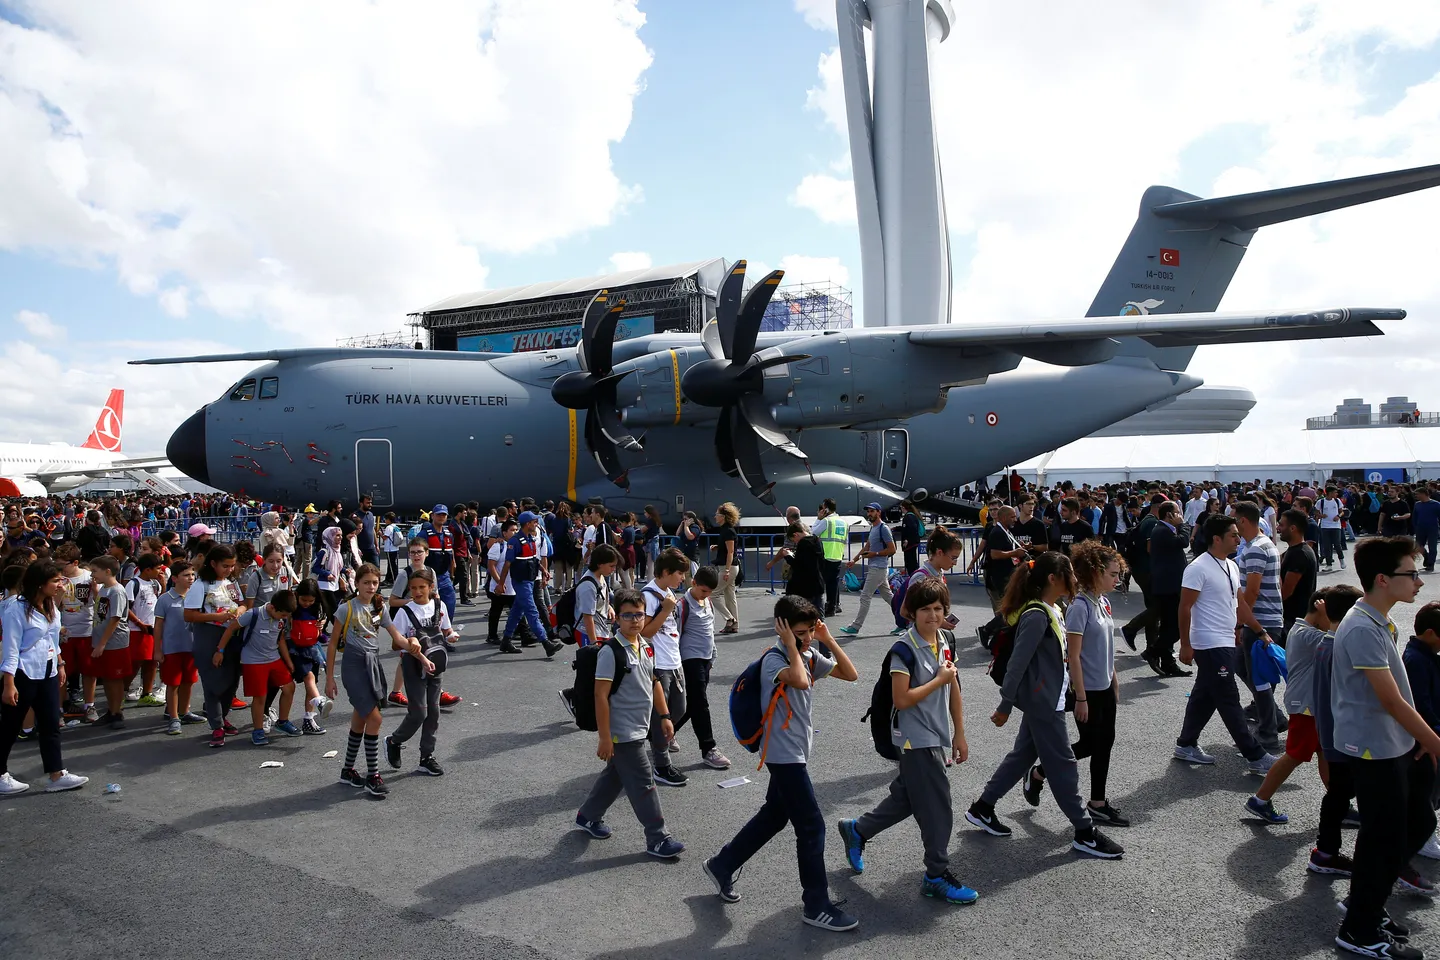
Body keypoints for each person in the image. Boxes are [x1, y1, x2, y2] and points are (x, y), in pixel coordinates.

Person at [702, 596, 860, 931]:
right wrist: (791, 644)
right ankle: (816, 905)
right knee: (812, 827)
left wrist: (827, 638)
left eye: (810, 631)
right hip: (783, 755)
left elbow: (850, 674)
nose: (807, 638)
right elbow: (800, 680)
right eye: (800, 633)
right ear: (783, 629)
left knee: (775, 815)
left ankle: (722, 864)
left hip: (795, 750)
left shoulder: (807, 654)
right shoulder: (775, 660)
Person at [963, 552, 1124, 860]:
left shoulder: (1054, 609)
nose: (1075, 579)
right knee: (1064, 766)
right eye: (1069, 574)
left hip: (1049, 699)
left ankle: (982, 807)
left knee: (1022, 756)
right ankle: (1084, 831)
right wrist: (1005, 705)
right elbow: (1017, 664)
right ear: (1053, 579)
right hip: (1044, 703)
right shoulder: (1037, 615)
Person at [835, 577, 976, 906]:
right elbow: (902, 699)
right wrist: (939, 679)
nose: (932, 615)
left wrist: (959, 732)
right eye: (925, 609)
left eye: (938, 608)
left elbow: (953, 687)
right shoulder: (904, 649)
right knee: (937, 806)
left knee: (908, 797)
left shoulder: (945, 639)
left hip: (936, 734)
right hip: (914, 738)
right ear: (911, 612)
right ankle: (936, 876)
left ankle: (858, 830)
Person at [1333, 537, 1440, 957]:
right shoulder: (1362, 626)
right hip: (1372, 748)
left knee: (1404, 828)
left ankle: (1366, 904)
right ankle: (1358, 930)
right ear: (1382, 579)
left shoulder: (1378, 620)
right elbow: (1391, 700)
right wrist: (1433, 741)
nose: (1419, 581)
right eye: (1411, 574)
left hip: (1391, 743)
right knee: (1383, 838)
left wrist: (1418, 738)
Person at [573, 588, 685, 860]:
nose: (635, 620)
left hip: (640, 725)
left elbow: (653, 681)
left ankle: (588, 816)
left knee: (616, 775)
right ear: (617, 618)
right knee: (644, 782)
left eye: (639, 614)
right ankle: (658, 838)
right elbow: (600, 695)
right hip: (622, 731)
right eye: (628, 615)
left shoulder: (645, 645)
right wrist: (604, 737)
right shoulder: (611, 652)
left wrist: (665, 716)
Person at [1173, 515, 1280, 773]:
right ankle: (1255, 756)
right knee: (1228, 697)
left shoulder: (1231, 565)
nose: (1238, 539)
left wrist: (1257, 630)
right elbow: (1184, 607)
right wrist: (1185, 644)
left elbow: (1239, 603)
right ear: (1216, 539)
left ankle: (1186, 744)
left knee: (1205, 695)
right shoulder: (1198, 568)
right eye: (1233, 535)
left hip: (1225, 640)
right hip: (1209, 643)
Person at [1245, 586, 1350, 825]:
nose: (1339, 622)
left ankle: (1340, 804)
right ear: (1320, 610)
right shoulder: (1307, 635)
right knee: (1294, 755)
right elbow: (1338, 643)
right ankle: (1259, 800)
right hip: (1306, 705)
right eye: (1335, 616)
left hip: (1313, 704)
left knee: (1326, 754)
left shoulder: (1303, 629)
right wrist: (1332, 620)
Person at [0, 561, 89, 795]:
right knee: (9, 726)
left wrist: (60, 663)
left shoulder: (50, 605)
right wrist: (9, 683)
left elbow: (51, 638)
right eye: (56, 581)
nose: (61, 585)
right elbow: (11, 649)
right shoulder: (15, 609)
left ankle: (56, 774)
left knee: (50, 724)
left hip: (48, 671)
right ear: (40, 584)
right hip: (23, 672)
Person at [324, 563, 408, 798]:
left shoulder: (380, 606)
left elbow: (396, 636)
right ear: (357, 584)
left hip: (373, 664)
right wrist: (329, 678)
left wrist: (414, 647)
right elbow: (332, 644)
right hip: (353, 665)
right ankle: (373, 776)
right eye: (366, 582)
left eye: (375, 582)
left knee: (360, 719)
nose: (371, 587)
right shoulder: (346, 608)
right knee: (375, 718)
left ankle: (348, 770)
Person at [1060, 540, 1128, 826]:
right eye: (1112, 574)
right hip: (1087, 689)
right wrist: (1081, 697)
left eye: (1118, 574)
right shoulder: (1079, 607)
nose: (1117, 579)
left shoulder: (1104, 602)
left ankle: (1097, 802)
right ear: (1095, 572)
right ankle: (1039, 772)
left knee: (1104, 743)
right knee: (1090, 744)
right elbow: (1073, 656)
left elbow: (1107, 648)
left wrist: (1114, 680)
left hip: (1104, 686)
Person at [1308, 583, 1365, 879]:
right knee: (1341, 793)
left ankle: (1326, 851)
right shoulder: (1338, 647)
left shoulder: (1327, 644)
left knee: (1339, 793)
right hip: (1342, 736)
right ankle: (1326, 852)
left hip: (1332, 733)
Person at [384, 566, 454, 777]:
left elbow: (446, 629)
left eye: (421, 587)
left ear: (431, 587)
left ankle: (426, 757)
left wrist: (451, 635)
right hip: (413, 665)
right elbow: (395, 644)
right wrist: (410, 642)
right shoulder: (405, 611)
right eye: (413, 588)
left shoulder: (439, 606)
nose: (417, 592)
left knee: (434, 712)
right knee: (419, 712)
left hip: (435, 663)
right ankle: (394, 740)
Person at [1235, 502, 1287, 751]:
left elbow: (1252, 591)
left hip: (1260, 621)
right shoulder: (1264, 544)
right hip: (1266, 618)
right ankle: (1274, 717)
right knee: (1244, 668)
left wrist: (1241, 621)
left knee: (1260, 680)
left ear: (1243, 520)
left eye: (1235, 520)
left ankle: (1268, 732)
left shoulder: (1256, 548)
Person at [222, 589, 299, 745]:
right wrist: (220, 650)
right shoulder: (253, 614)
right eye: (283, 615)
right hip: (253, 661)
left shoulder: (281, 618)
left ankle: (283, 722)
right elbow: (231, 628)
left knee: (289, 687)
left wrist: (288, 662)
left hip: (274, 658)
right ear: (272, 607)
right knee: (260, 696)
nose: (284, 618)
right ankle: (258, 731)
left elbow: (280, 639)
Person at [639, 548, 690, 788]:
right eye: (680, 573)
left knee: (679, 710)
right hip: (658, 663)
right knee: (663, 715)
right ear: (667, 571)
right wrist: (667, 609)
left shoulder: (667, 592)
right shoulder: (648, 596)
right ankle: (661, 765)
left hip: (674, 660)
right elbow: (644, 632)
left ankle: (656, 744)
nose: (683, 578)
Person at [672, 565, 728, 770]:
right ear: (693, 582)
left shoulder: (708, 602)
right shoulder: (682, 605)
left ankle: (662, 734)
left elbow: (709, 632)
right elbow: (676, 635)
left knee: (691, 705)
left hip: (705, 659)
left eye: (710, 592)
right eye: (703, 590)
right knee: (700, 703)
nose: (706, 594)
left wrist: (712, 655)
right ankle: (708, 748)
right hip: (689, 659)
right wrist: (675, 664)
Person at [498, 511, 562, 658]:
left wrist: (544, 570)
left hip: (530, 580)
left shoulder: (531, 539)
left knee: (517, 611)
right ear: (527, 524)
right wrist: (501, 584)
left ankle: (506, 640)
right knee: (532, 612)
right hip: (521, 582)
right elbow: (507, 564)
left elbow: (534, 559)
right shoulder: (514, 542)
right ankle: (546, 643)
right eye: (534, 522)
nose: (536, 524)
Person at [1404, 602, 1440, 860]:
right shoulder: (1416, 660)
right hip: (1425, 737)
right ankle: (1423, 837)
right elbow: (1420, 705)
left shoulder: (1427, 655)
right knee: (1426, 789)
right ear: (1429, 633)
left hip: (1431, 733)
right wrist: (1433, 736)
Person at [153, 560, 204, 735]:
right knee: (173, 683)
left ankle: (184, 712)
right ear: (174, 578)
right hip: (171, 649)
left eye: (192, 574)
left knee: (189, 681)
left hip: (191, 648)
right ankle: (173, 717)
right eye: (186, 575)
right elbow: (158, 626)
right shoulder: (165, 599)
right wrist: (157, 649)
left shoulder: (197, 597)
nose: (191, 578)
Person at [1144, 501, 1192, 678]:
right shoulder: (1162, 530)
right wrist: (1183, 525)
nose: (1180, 515)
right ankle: (1152, 651)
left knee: (1168, 626)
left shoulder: (1166, 530)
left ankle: (1168, 663)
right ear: (1169, 515)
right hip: (1167, 587)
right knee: (1175, 627)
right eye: (1177, 512)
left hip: (1170, 585)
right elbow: (1183, 542)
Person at [86, 556, 130, 730]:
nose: (92, 575)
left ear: (108, 571)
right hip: (102, 640)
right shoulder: (104, 589)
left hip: (114, 643)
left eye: (95, 571)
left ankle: (117, 712)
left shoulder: (117, 591)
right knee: (107, 678)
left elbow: (115, 619)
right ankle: (111, 711)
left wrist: (102, 643)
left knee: (115, 679)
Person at [839, 502, 896, 636]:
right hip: (877, 568)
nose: (869, 514)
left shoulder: (883, 528)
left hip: (879, 568)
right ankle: (906, 620)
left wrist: (874, 554)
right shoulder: (873, 528)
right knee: (889, 597)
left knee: (865, 596)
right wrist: (854, 560)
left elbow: (892, 549)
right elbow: (867, 547)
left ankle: (855, 626)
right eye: (868, 511)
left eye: (872, 511)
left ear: (878, 512)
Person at [287, 579, 330, 734]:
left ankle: (308, 719)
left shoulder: (317, 608)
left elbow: (320, 626)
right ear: (297, 596)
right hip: (296, 649)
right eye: (304, 600)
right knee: (308, 677)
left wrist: (321, 625)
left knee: (311, 684)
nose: (306, 603)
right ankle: (320, 701)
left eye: (310, 601)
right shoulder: (292, 607)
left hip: (312, 647)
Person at [125, 553, 165, 707]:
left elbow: (160, 602)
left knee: (152, 662)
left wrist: (163, 585)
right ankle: (122, 691)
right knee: (135, 663)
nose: (160, 571)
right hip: (137, 630)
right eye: (157, 568)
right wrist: (139, 623)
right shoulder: (134, 584)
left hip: (153, 629)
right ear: (147, 569)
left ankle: (146, 694)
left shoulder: (155, 584)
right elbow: (126, 608)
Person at [1277, 508, 1318, 639]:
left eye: (1281, 525)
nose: (1278, 528)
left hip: (1293, 620)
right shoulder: (1294, 550)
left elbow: (1286, 592)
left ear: (1293, 528)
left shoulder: (1299, 554)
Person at [982, 505, 1026, 613]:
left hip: (1008, 576)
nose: (1015, 520)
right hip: (999, 579)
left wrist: (1020, 547)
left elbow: (1006, 548)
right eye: (1012, 517)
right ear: (1004, 518)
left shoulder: (1006, 531)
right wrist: (1015, 553)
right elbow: (995, 554)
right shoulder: (997, 532)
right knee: (1002, 611)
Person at [813, 499, 847, 617]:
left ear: (826, 509)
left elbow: (813, 533)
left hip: (825, 555)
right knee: (833, 582)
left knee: (823, 582)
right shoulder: (843, 522)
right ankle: (835, 605)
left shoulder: (826, 521)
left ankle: (829, 607)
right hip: (837, 555)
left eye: (823, 508)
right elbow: (846, 540)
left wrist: (818, 518)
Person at [711, 502, 741, 635]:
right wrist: (718, 547)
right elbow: (728, 548)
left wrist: (727, 570)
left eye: (717, 514)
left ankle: (729, 618)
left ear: (723, 516)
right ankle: (734, 625)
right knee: (730, 596)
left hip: (728, 567)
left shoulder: (728, 531)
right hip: (730, 566)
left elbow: (731, 551)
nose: (715, 517)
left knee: (713, 594)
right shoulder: (726, 530)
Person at [1318, 486, 1347, 570]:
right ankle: (1329, 564)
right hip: (1325, 526)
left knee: (1337, 544)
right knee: (1327, 545)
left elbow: (1342, 512)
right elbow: (1316, 511)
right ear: (1330, 493)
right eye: (1335, 492)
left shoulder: (1337, 501)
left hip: (1336, 526)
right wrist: (1321, 515)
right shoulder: (1321, 501)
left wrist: (1338, 516)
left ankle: (1341, 560)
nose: (1336, 494)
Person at [1414, 486, 1440, 574]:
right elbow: (1415, 517)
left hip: (1432, 528)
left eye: (1417, 494)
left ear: (1423, 494)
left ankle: (1430, 564)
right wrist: (1415, 526)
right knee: (1418, 546)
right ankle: (1426, 556)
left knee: (1432, 546)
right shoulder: (1417, 504)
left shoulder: (1436, 504)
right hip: (1420, 528)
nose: (1416, 496)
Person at [899, 501, 924, 575]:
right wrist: (897, 528)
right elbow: (906, 528)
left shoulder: (909, 516)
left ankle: (913, 578)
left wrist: (907, 540)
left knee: (910, 563)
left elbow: (912, 529)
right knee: (912, 561)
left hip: (910, 544)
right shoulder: (912, 515)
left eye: (901, 508)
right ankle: (913, 576)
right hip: (912, 543)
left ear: (903, 507)